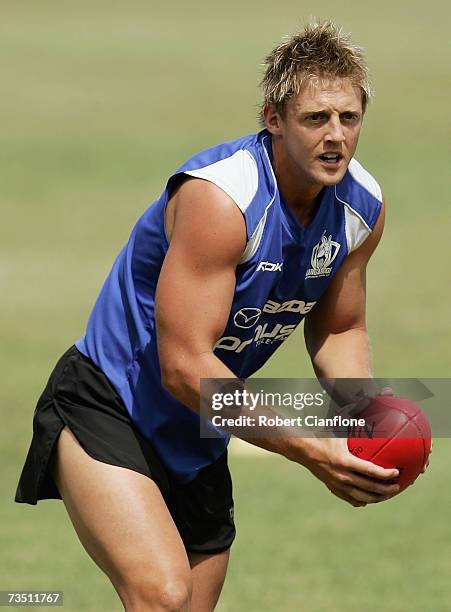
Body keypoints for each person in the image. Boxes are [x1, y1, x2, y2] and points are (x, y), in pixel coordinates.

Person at [15, 21, 422, 612]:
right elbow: (184, 369)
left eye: (349, 118)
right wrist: (309, 446)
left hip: (201, 426)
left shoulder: (361, 207)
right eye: (315, 119)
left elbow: (339, 328)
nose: (335, 137)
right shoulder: (222, 199)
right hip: (110, 402)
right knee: (163, 596)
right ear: (273, 118)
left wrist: (364, 420)